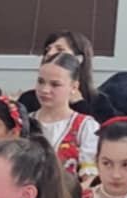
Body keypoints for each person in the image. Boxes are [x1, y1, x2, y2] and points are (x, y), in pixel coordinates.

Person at [30, 50, 101, 180]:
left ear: (74, 87)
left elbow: (90, 180)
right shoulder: (25, 122)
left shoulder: (85, 127)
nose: (45, 90)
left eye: (55, 84)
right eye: (41, 81)